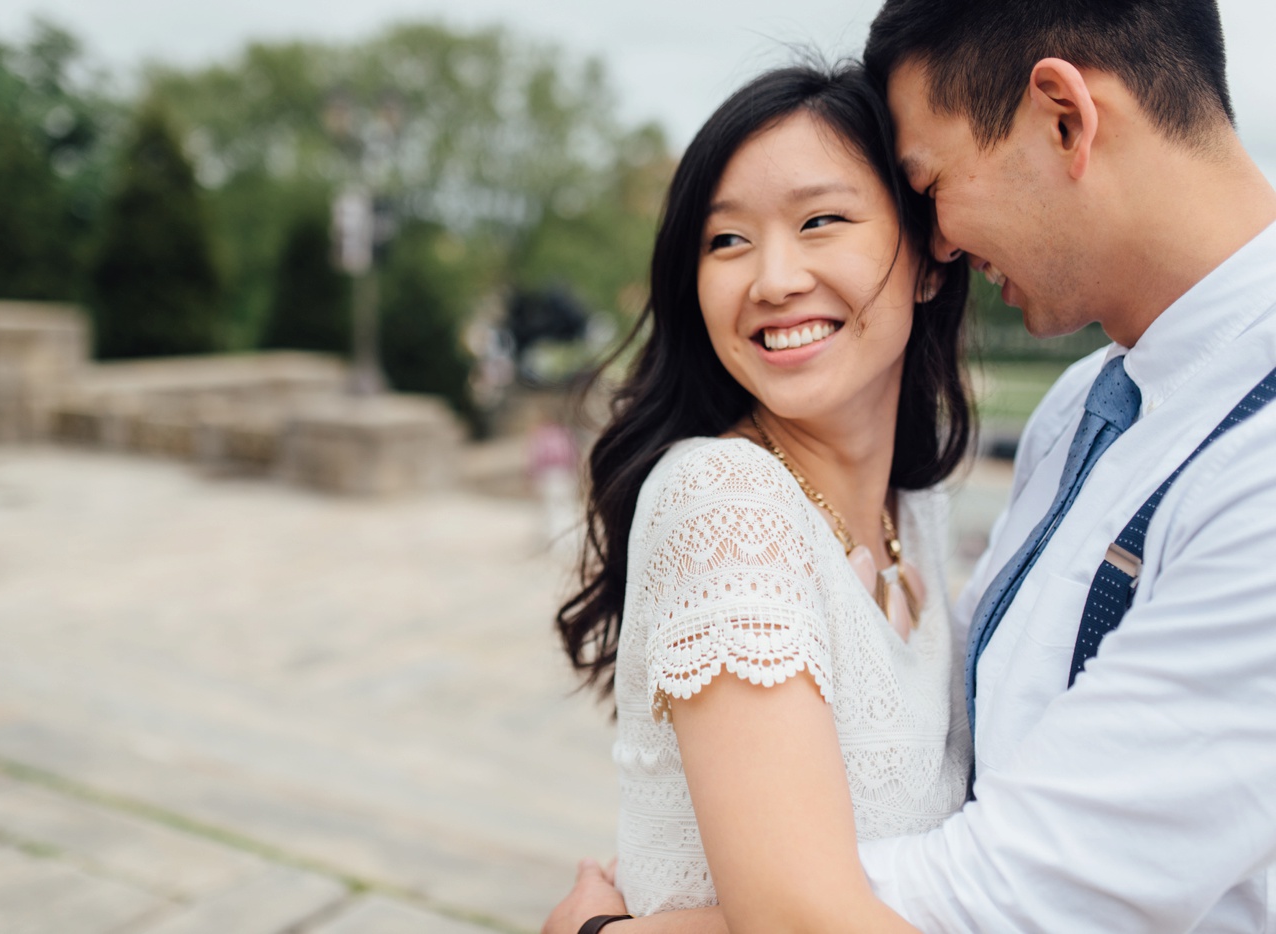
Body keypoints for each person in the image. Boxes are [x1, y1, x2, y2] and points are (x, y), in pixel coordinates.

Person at [546, 0, 1276, 931]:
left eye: (927, 186)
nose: (941, 241)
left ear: (1066, 118)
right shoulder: (1075, 416)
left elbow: (1018, 892)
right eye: (727, 240)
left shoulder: (1253, 467)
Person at [552, 62, 973, 931]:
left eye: (821, 221)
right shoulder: (724, 502)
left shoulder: (916, 514)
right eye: (726, 241)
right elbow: (796, 920)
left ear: (929, 259)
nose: (773, 279)